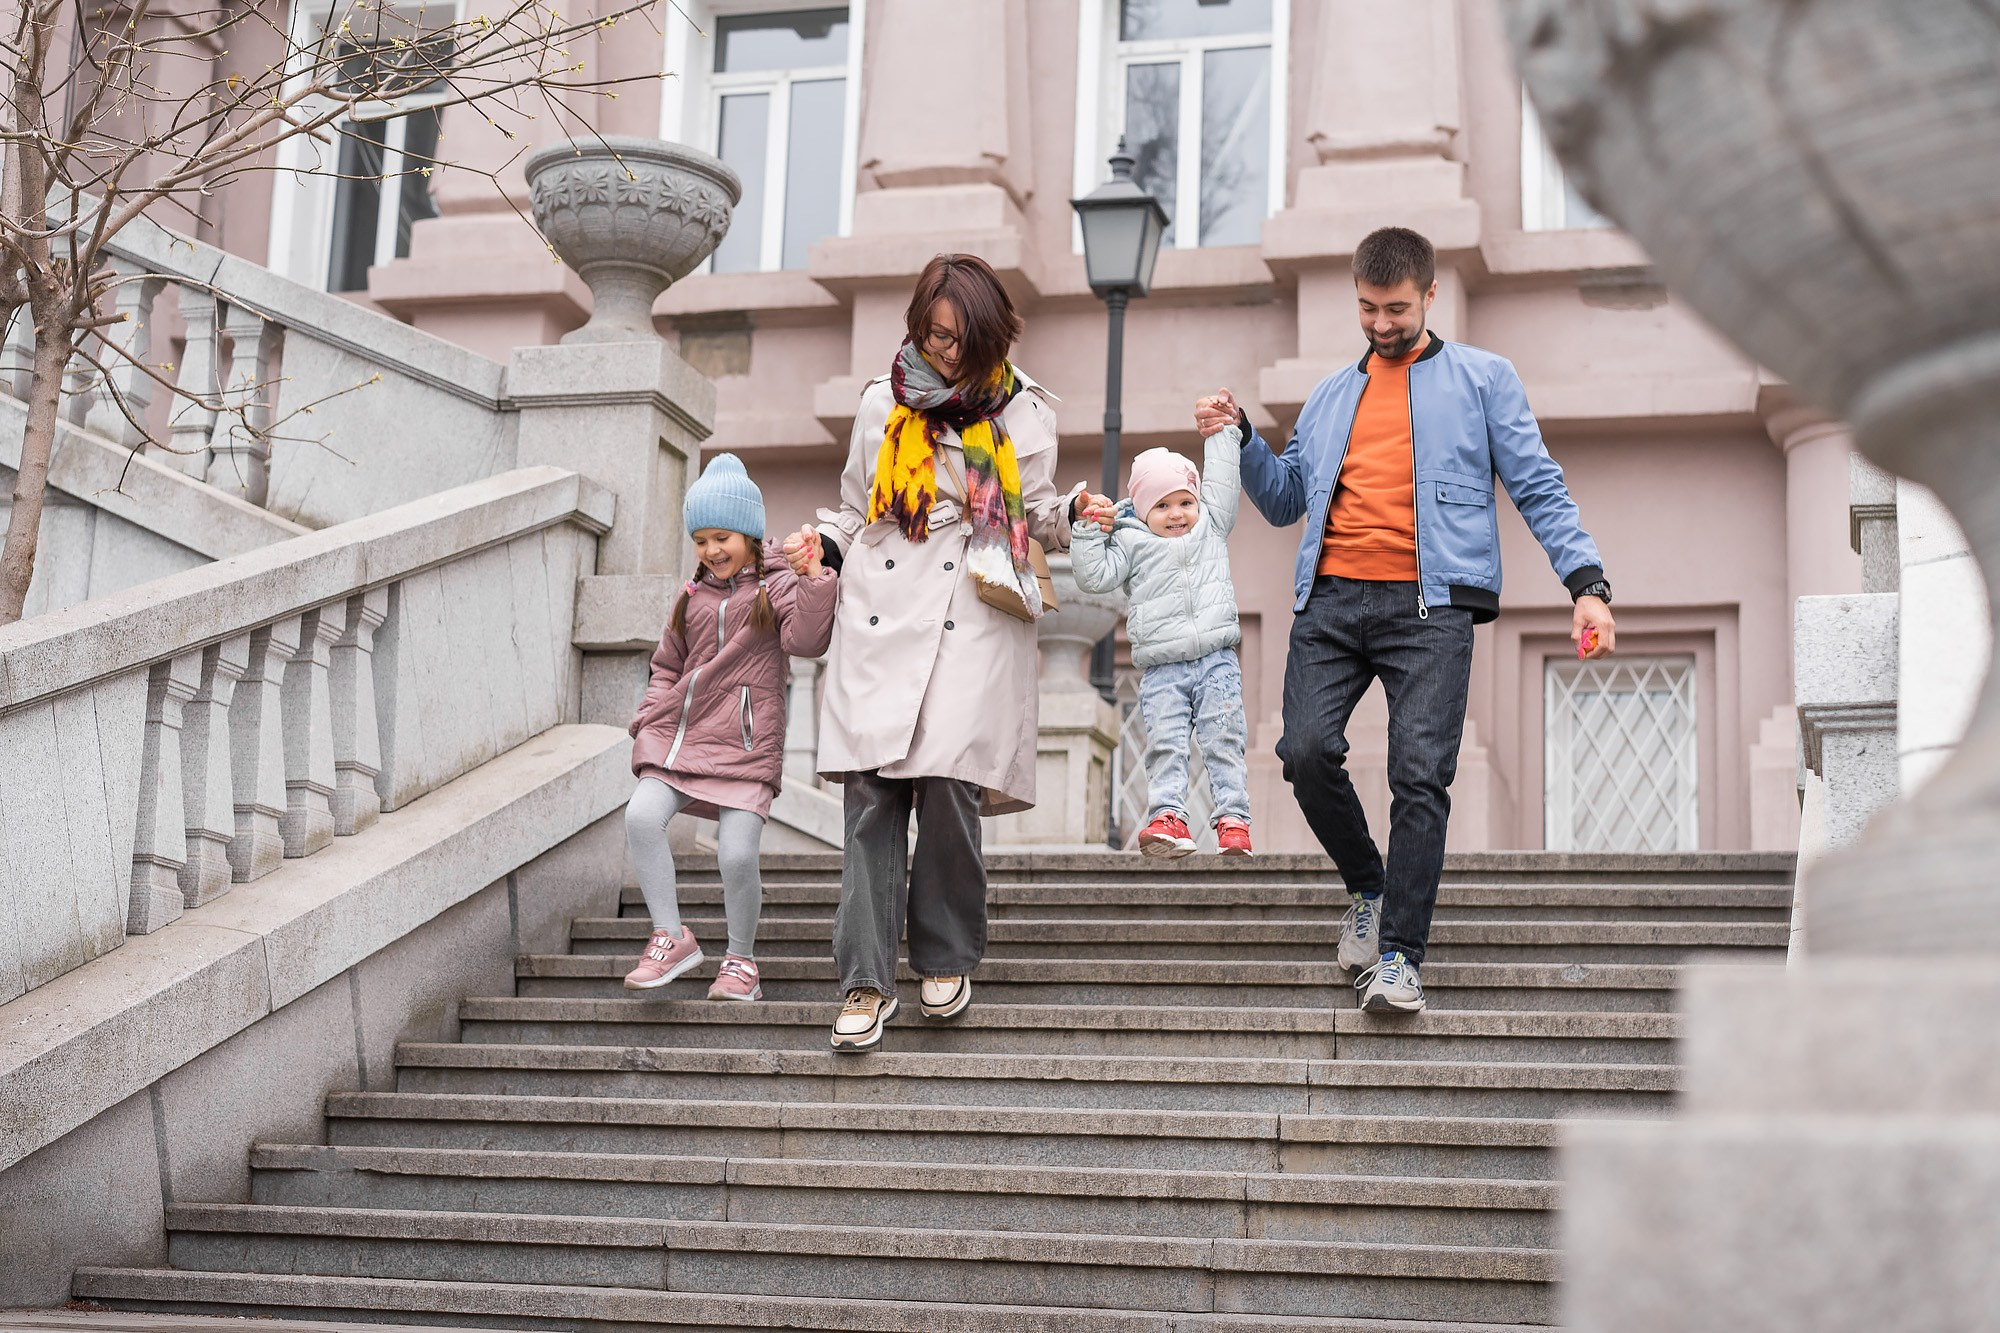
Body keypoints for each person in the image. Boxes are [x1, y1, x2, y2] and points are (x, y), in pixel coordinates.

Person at [1197, 226, 1616, 1014]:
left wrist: (1586, 582)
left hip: (1430, 607)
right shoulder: (1329, 396)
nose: (1381, 325)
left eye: (1395, 309)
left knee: (1419, 776)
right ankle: (1367, 883)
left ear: (1429, 296)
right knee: (1304, 750)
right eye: (1366, 309)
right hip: (1330, 602)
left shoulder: (1484, 380)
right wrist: (1245, 437)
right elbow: (1287, 498)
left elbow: (1539, 484)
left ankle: (1398, 956)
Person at [786, 252, 1108, 1053]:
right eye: (933, 336)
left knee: (949, 786)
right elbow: (855, 508)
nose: (946, 353)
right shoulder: (878, 407)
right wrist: (821, 544)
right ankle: (864, 979)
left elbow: (1034, 512)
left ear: (992, 335)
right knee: (869, 798)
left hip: (976, 598)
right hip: (883, 609)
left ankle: (944, 952)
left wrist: (1076, 509)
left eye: (961, 338)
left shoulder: (1023, 411)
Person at [623, 454, 838, 1000]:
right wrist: (652, 712)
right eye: (700, 540)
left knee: (737, 854)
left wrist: (814, 578)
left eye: (722, 537)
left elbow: (808, 642)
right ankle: (671, 936)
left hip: (745, 743)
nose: (712, 551)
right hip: (682, 736)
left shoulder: (779, 583)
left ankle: (740, 961)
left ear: (748, 532)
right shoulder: (690, 595)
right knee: (641, 816)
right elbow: (666, 664)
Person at [1070, 428, 1252, 858]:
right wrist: (1090, 530)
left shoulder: (1211, 526)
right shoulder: (1132, 542)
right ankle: (1168, 816)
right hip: (1162, 669)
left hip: (1216, 660)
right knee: (1165, 743)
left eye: (1185, 502)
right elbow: (1094, 577)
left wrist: (1223, 433)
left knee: (1223, 738)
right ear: (1141, 509)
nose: (1177, 514)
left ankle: (1233, 818)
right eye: (1163, 505)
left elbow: (1224, 481)